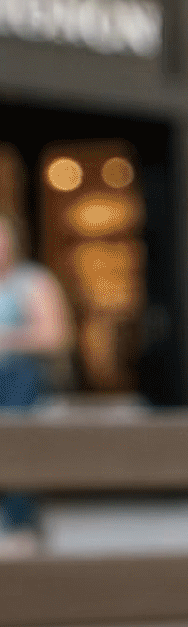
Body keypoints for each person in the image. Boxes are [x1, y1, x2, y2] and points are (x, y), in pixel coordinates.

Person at [0, 211, 71, 550]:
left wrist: (6, 338)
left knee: (14, 447)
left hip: (18, 381)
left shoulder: (32, 282)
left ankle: (22, 528)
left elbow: (55, 335)